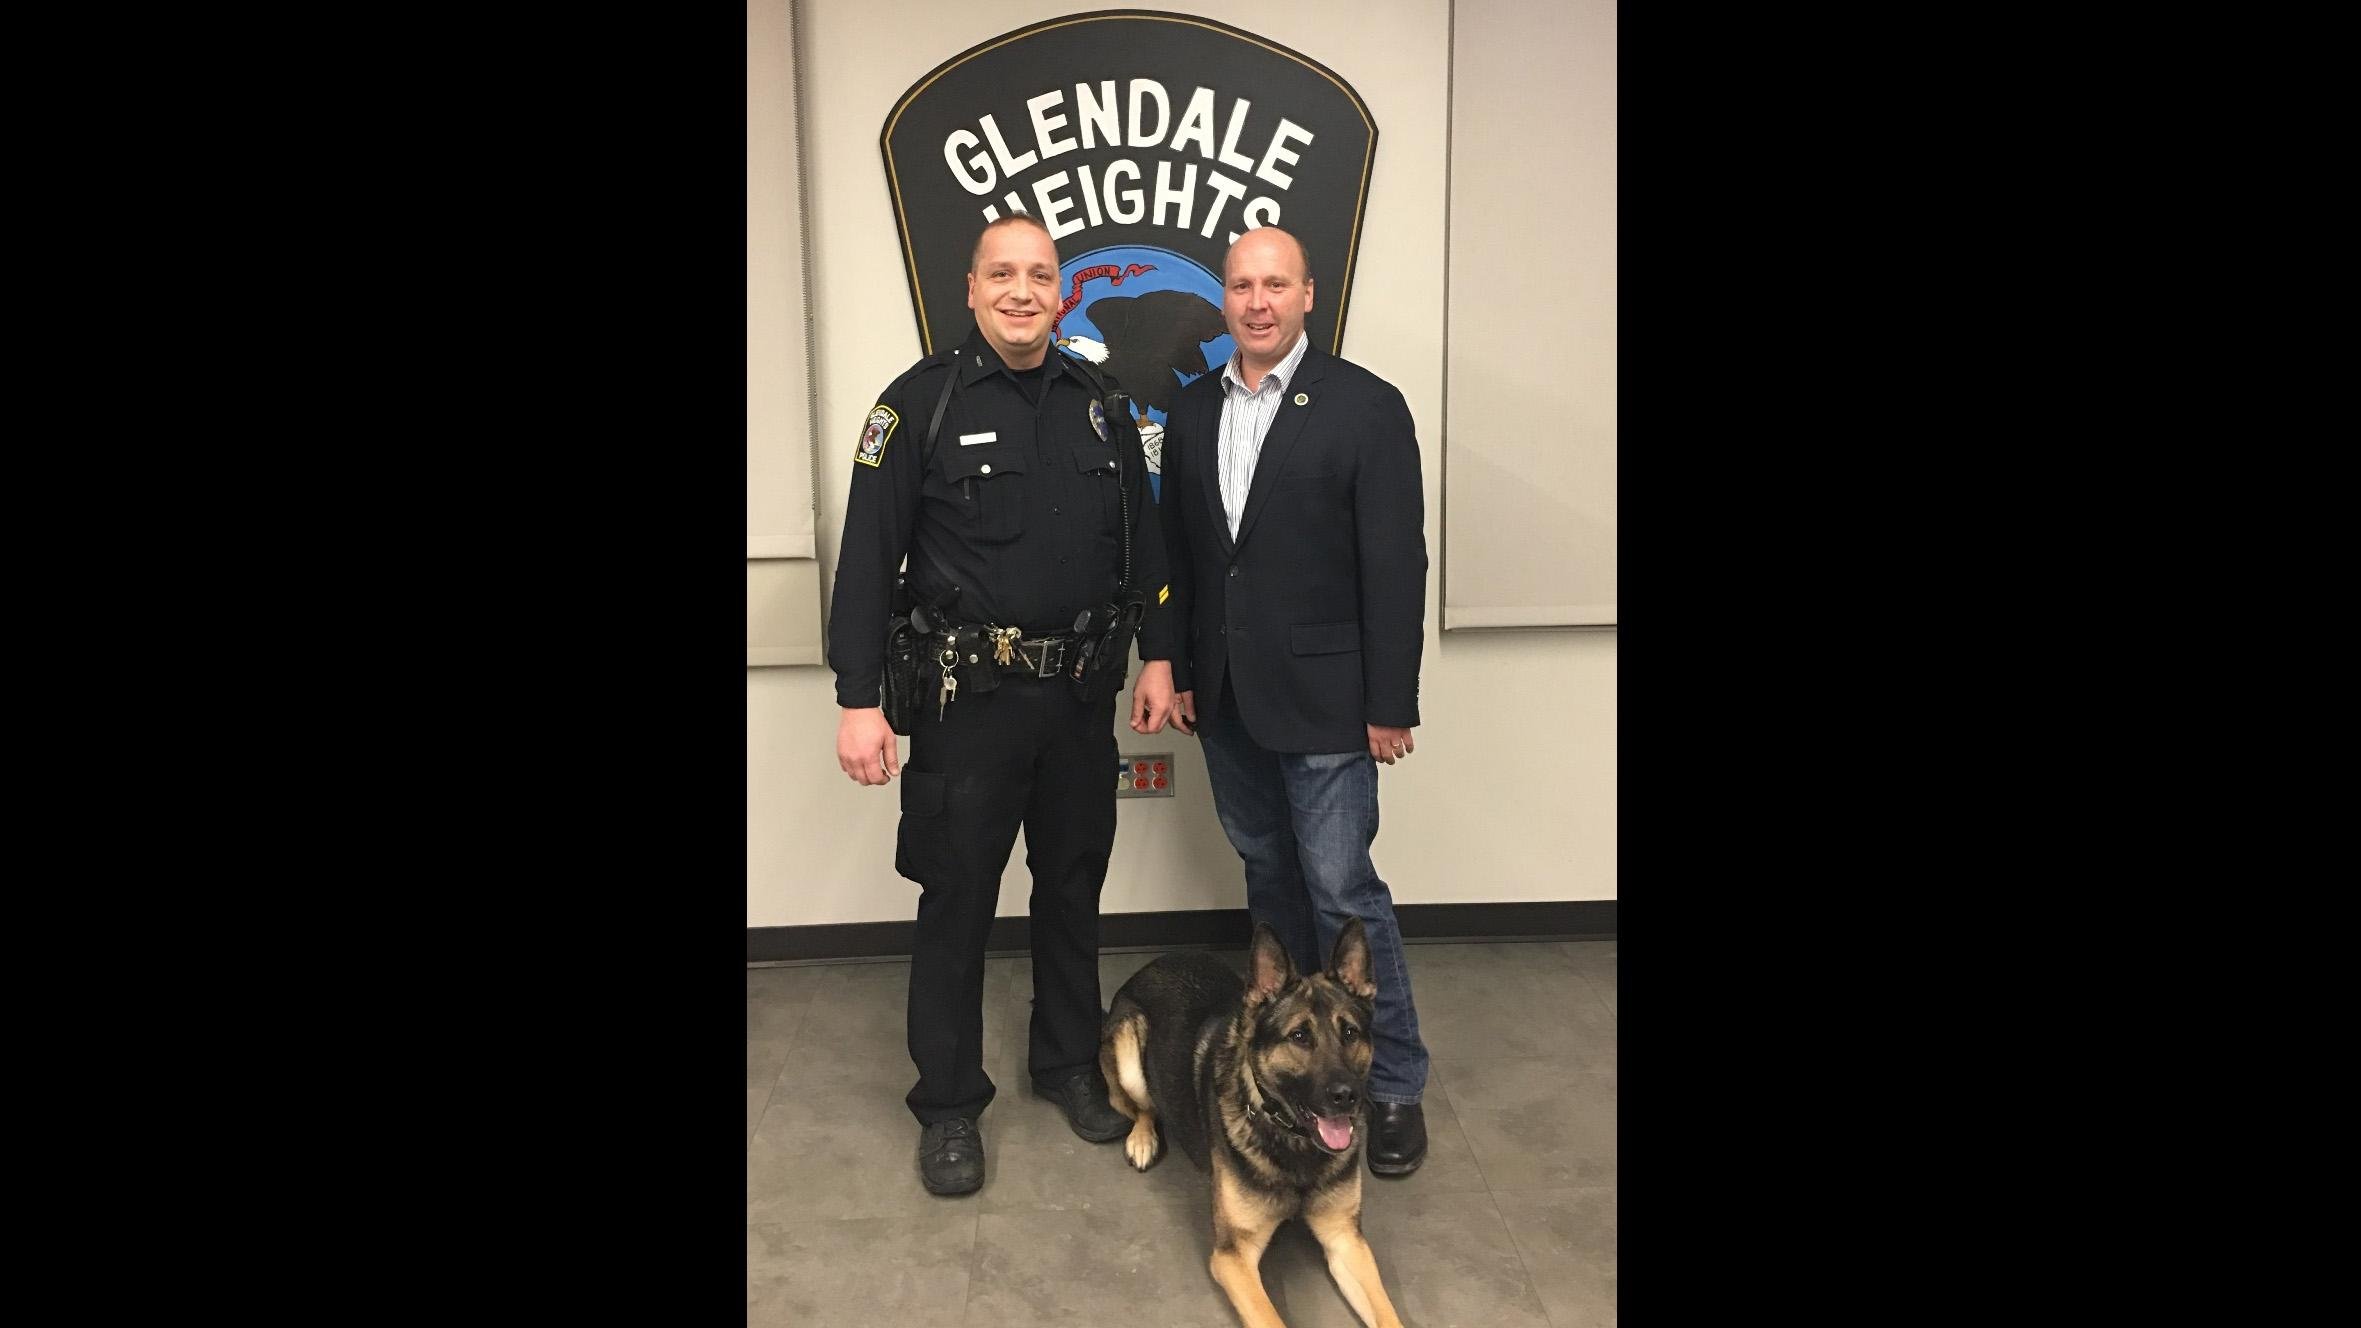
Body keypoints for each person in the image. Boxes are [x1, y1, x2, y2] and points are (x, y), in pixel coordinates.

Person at [828, 214, 1178, 1196]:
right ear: (971, 289)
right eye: (1003, 274)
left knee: (1071, 884)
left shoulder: (1103, 404)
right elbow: (866, 564)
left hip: (1078, 698)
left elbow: (1143, 544)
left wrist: (1160, 656)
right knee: (958, 899)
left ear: (1062, 291)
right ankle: (947, 1100)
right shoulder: (919, 406)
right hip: (965, 704)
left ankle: (1066, 1059)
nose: (1023, 290)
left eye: (1040, 274)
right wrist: (861, 701)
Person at [1133, 224, 1434, 1175]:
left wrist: (1390, 701)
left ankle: (1390, 1085)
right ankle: (1308, 1076)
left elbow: (1395, 564)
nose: (1256, 302)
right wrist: (1171, 666)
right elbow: (1177, 559)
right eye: (1240, 286)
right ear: (1223, 299)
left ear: (1309, 294)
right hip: (1226, 701)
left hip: (1332, 702)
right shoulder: (1190, 414)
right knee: (1270, 880)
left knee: (1344, 890)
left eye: (1275, 285)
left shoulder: (1364, 406)